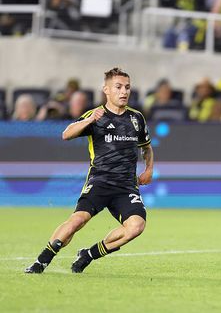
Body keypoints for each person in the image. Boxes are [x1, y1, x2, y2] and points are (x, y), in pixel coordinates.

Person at [24, 68, 153, 274]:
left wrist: (149, 170)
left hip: (126, 187)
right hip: (100, 182)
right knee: (78, 220)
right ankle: (42, 261)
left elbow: (146, 147)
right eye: (118, 87)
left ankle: (89, 254)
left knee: (136, 227)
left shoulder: (136, 119)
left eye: (127, 87)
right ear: (106, 90)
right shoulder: (95, 116)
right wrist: (90, 120)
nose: (124, 92)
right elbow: (66, 134)